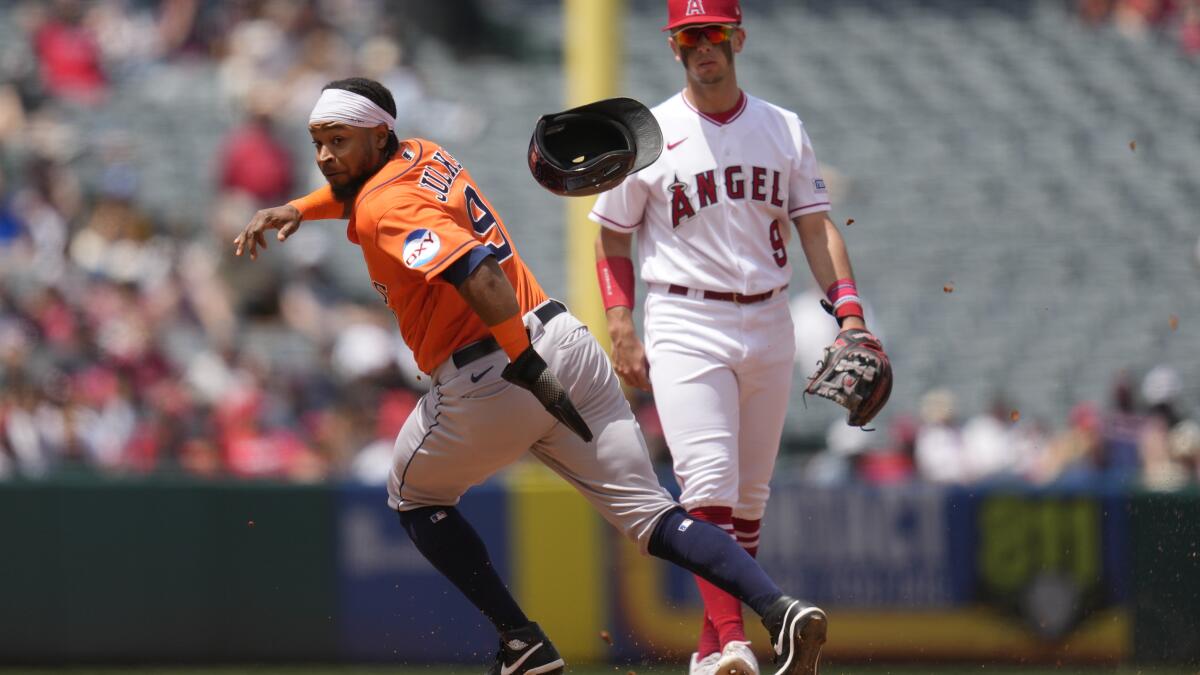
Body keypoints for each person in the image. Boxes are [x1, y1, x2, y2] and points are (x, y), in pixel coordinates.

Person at [233, 77, 828, 675]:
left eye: (338, 140)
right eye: (317, 142)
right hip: (566, 342)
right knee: (655, 517)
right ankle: (779, 609)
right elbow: (355, 193)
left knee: (412, 497)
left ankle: (521, 640)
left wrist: (523, 361)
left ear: (378, 134)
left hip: (500, 369)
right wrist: (297, 207)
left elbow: (479, 275)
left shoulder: (385, 206)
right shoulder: (421, 153)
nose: (324, 156)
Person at [589, 2, 885, 672]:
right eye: (688, 36)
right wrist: (619, 323)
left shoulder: (782, 127)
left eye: (713, 34)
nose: (702, 48)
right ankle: (731, 641)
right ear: (674, 48)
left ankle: (707, 654)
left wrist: (851, 315)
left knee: (749, 501)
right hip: (685, 318)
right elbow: (612, 234)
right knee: (709, 482)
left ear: (737, 39)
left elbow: (815, 224)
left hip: (768, 316)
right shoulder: (650, 131)